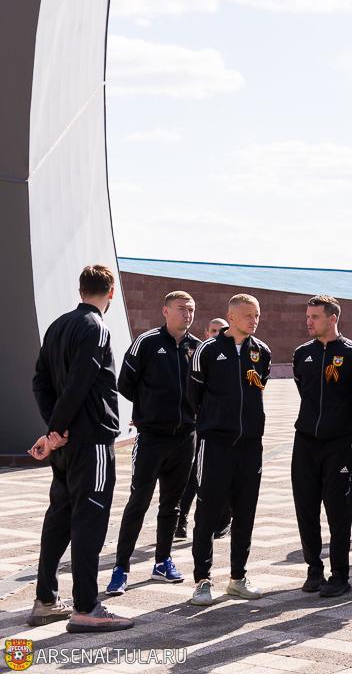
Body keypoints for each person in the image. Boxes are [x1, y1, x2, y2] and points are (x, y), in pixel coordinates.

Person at [28, 265, 132, 632]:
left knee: (59, 517)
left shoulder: (58, 326)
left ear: (81, 289)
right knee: (90, 520)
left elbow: (40, 382)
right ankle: (87, 607)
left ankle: (45, 599)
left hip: (66, 444)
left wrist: (53, 432)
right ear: (111, 292)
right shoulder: (96, 327)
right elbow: (80, 382)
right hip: (91, 441)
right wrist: (56, 430)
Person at [107, 291, 201, 597]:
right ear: (165, 311)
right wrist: (149, 409)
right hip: (151, 438)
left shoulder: (197, 347)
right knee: (139, 502)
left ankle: (162, 561)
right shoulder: (146, 343)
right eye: (181, 308)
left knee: (172, 505)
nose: (187, 314)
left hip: (184, 437)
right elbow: (125, 383)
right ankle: (121, 568)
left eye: (191, 309)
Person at [188, 294, 273, 605]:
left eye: (257, 315)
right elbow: (193, 395)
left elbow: (258, 390)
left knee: (245, 512)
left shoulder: (261, 352)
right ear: (231, 316)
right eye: (248, 315)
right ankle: (202, 580)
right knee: (208, 512)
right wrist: (214, 421)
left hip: (250, 446)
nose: (254, 320)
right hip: (215, 445)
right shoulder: (208, 350)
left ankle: (238, 578)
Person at [292, 295, 352, 598]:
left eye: (315, 317)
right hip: (305, 442)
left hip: (338, 443)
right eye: (307, 316)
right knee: (306, 508)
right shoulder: (302, 354)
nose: (308, 322)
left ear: (333, 318)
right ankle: (314, 569)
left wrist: (339, 418)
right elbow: (304, 389)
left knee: (339, 512)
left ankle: (340, 574)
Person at [175, 316, 232, 540]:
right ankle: (181, 517)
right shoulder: (199, 352)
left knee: (224, 474)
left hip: (224, 427)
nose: (217, 334)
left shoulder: (232, 354)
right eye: (213, 330)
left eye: (221, 330)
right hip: (197, 423)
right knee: (193, 473)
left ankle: (223, 520)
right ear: (206, 332)